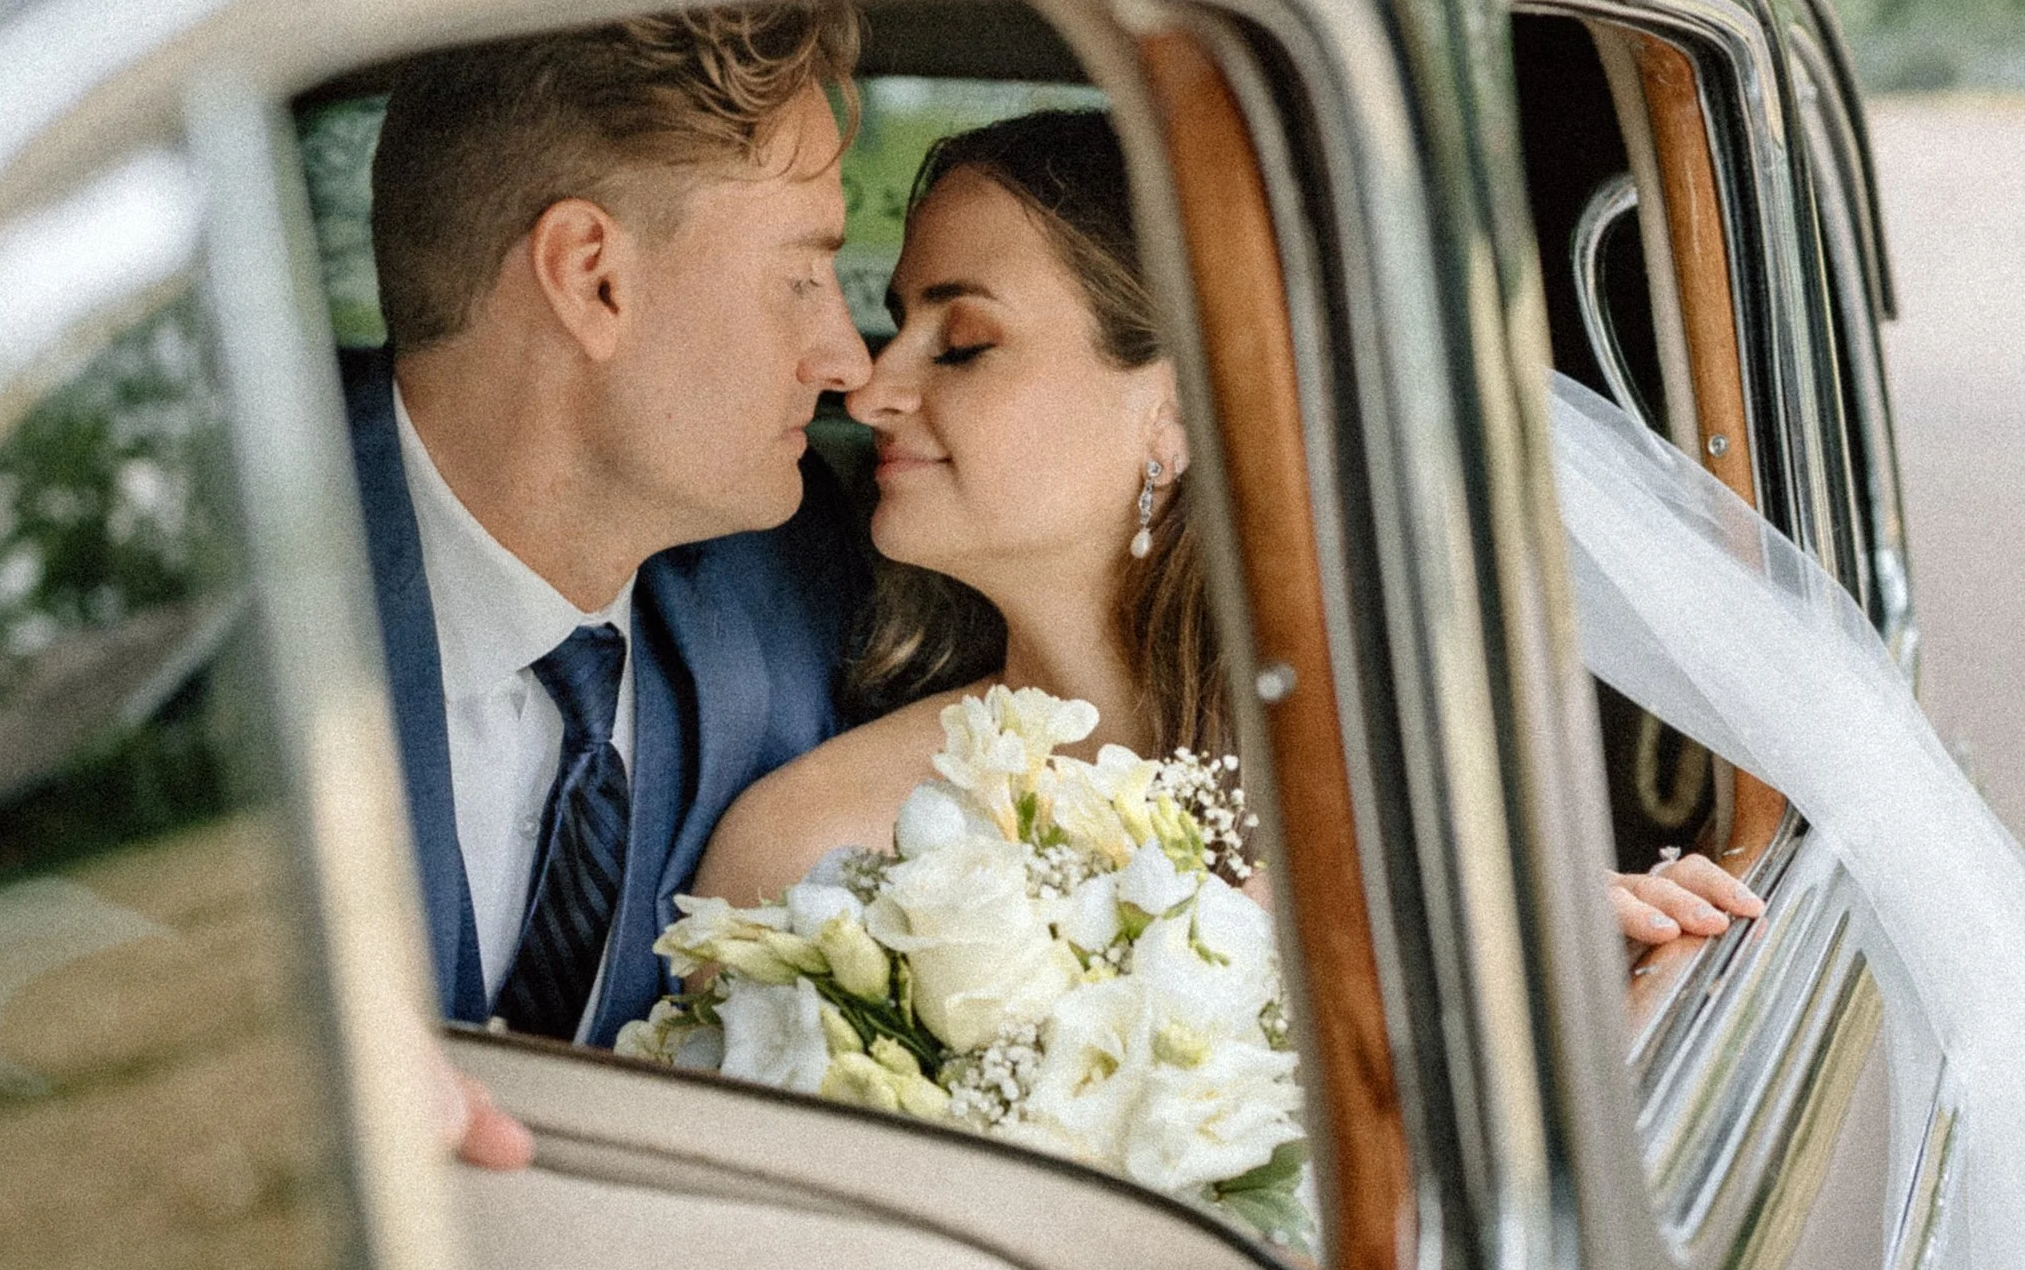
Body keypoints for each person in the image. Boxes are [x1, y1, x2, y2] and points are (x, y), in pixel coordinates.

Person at [699, 110, 1765, 958]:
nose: (874, 388)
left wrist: (1596, 956)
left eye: (963, 342)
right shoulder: (812, 848)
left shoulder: (1407, 797)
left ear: (1177, 409)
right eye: (898, 324)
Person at [343, 3, 872, 1050]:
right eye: (801, 277)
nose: (846, 361)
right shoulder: (216, 620)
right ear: (593, 278)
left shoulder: (816, 600)